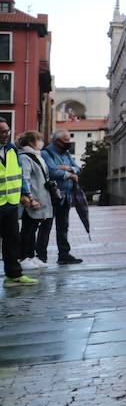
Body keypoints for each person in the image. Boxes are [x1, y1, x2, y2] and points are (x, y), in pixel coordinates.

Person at [1, 119, 37, 286]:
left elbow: (19, 173)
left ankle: (13, 275)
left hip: (10, 204)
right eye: (1, 132)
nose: (5, 135)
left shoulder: (12, 150)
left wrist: (25, 193)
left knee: (12, 241)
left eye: (7, 131)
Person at [39, 129, 83, 264]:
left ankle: (64, 254)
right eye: (66, 141)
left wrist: (67, 168)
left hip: (66, 197)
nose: (68, 143)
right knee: (46, 227)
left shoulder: (67, 153)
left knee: (63, 227)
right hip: (52, 197)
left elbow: (78, 168)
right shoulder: (46, 153)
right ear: (57, 141)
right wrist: (69, 174)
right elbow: (52, 171)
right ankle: (41, 256)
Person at [16, 131, 54, 267]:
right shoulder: (25, 157)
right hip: (32, 199)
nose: (41, 142)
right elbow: (24, 178)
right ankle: (24, 257)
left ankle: (31, 257)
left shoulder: (37, 156)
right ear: (31, 142)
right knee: (28, 229)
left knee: (32, 228)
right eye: (38, 139)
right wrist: (30, 198)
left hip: (41, 199)